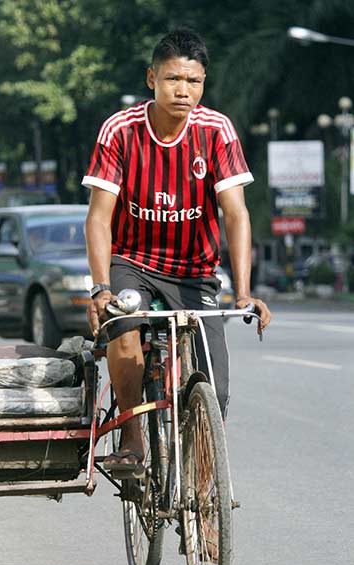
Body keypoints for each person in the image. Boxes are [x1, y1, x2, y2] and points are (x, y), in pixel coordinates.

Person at [83, 27, 272, 473]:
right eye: (173, 79)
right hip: (133, 263)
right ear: (152, 78)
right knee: (124, 328)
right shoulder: (121, 130)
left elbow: (236, 215)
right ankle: (133, 441)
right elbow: (98, 217)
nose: (183, 91)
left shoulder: (216, 130)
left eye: (193, 82)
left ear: (203, 84)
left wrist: (243, 292)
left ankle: (204, 493)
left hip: (195, 272)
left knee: (214, 388)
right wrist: (101, 288)